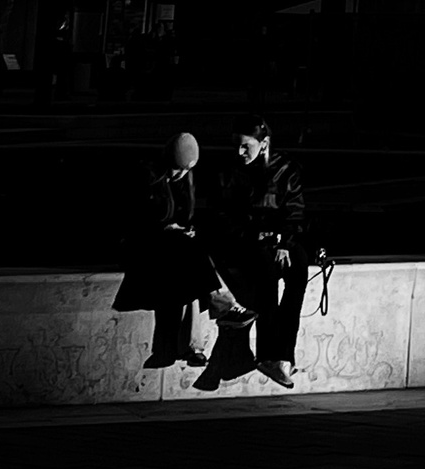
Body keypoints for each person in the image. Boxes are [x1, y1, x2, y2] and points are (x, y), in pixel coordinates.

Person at [112, 132, 251, 366]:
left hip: (173, 250)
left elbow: (186, 218)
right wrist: (166, 228)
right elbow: (133, 221)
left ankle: (175, 348)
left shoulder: (185, 180)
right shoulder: (147, 177)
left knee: (187, 272)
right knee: (189, 258)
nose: (182, 175)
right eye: (178, 170)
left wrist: (184, 229)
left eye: (186, 171)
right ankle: (223, 305)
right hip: (143, 245)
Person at [216, 116, 310, 388]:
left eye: (246, 146)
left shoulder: (285, 169)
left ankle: (283, 355)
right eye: (237, 146)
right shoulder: (231, 172)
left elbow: (295, 210)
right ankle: (268, 354)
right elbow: (225, 217)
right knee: (265, 277)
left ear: (264, 143)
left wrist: (283, 241)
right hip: (247, 241)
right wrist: (256, 235)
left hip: (278, 238)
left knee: (298, 271)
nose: (240, 152)